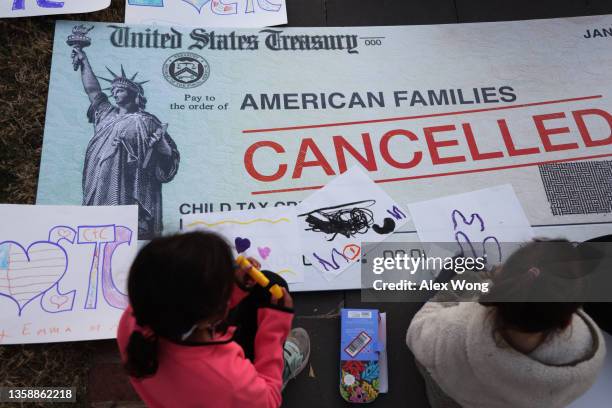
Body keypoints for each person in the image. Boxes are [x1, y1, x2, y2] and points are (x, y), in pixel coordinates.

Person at [116, 231, 310, 407]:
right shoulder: (229, 380)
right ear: (212, 315)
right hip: (234, 394)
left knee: (267, 285)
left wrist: (233, 287)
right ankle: (278, 372)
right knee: (269, 294)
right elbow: (269, 401)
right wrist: (274, 330)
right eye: (225, 286)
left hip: (184, 390)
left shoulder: (134, 320)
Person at [406, 239, 606, 408]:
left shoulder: (457, 328)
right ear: (569, 317)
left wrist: (476, 280)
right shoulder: (588, 352)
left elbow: (417, 332)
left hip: (453, 397)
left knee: (461, 269)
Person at [71, 48, 180, 240]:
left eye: (119, 90)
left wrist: (161, 145)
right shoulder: (105, 114)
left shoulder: (148, 121)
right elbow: (93, 90)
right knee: (98, 228)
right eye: (112, 91)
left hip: (133, 184)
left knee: (129, 229)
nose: (114, 94)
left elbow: (169, 156)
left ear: (134, 94)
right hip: (101, 180)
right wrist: (84, 60)